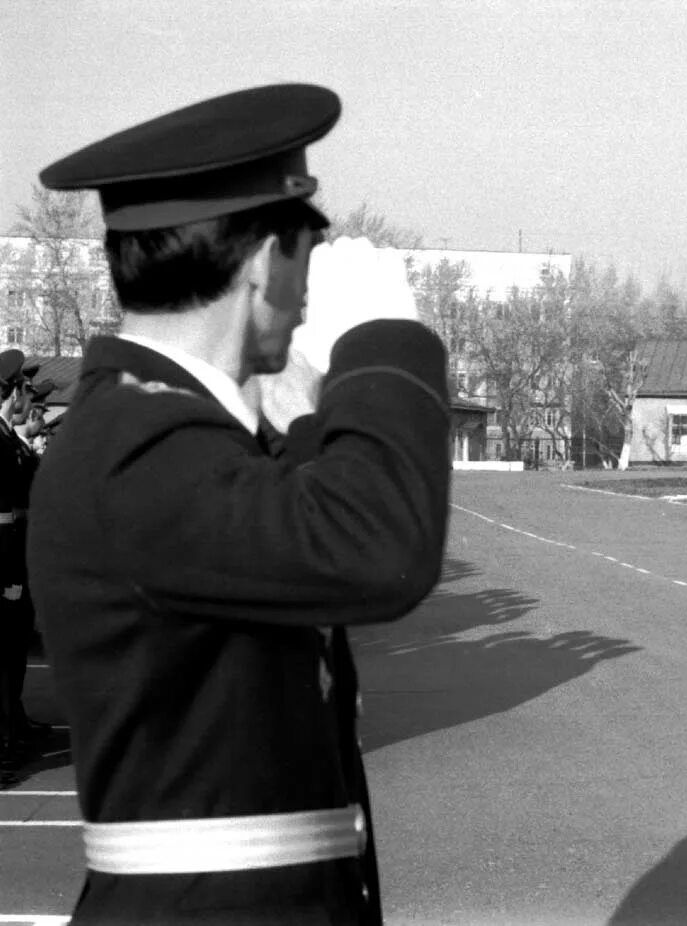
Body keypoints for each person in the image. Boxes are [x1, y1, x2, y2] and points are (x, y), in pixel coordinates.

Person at [29, 84, 451, 924]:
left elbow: (289, 536)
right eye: (304, 252)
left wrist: (299, 411)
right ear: (264, 261)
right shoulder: (138, 446)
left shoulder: (163, 431)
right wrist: (384, 339)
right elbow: (381, 550)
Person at [0, 351, 46, 773]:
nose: (30, 403)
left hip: (15, 558)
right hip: (5, 563)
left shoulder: (9, 443)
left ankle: (12, 729)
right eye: (25, 390)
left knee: (12, 657)